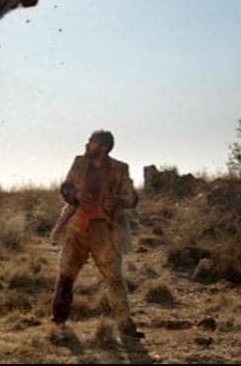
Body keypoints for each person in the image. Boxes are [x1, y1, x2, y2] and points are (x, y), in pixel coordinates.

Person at [50, 130, 144, 339]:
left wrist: (116, 202)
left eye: (91, 142)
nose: (87, 145)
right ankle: (58, 323)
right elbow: (65, 188)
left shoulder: (120, 168)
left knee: (114, 279)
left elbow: (131, 198)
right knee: (66, 276)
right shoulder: (79, 163)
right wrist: (74, 194)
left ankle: (126, 326)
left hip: (104, 231)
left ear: (103, 147)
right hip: (77, 228)